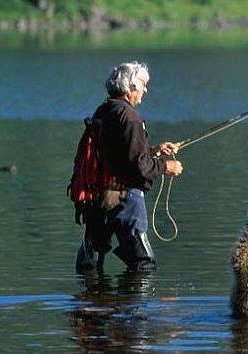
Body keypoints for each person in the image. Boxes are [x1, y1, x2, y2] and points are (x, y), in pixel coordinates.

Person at [76, 61, 183, 273]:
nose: (145, 89)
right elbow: (138, 167)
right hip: (124, 199)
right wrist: (165, 166)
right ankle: (131, 306)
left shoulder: (105, 110)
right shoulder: (130, 117)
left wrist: (153, 151)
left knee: (90, 262)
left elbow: (119, 155)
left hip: (97, 197)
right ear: (130, 87)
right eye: (143, 84)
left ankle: (93, 302)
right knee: (143, 264)